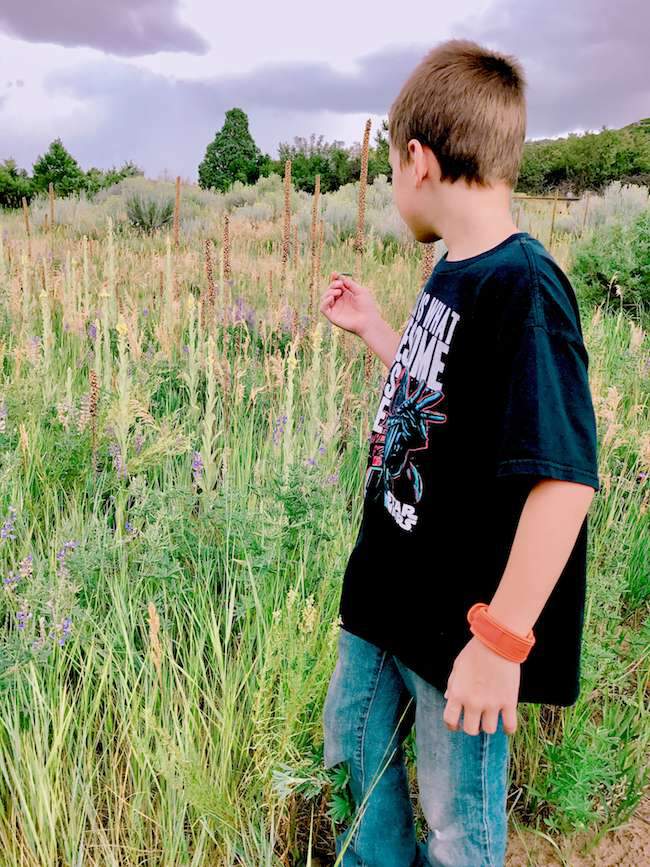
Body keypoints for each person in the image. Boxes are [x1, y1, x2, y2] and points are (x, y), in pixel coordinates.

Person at [319, 39, 600, 867]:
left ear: (417, 159)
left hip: (459, 639)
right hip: (383, 603)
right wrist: (379, 330)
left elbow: (565, 481)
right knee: (355, 775)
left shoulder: (525, 286)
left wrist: (501, 642)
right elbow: (445, 394)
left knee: (456, 825)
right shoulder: (455, 267)